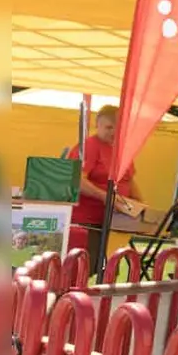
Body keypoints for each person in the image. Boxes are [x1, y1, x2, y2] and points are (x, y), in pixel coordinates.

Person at [65, 105, 142, 277]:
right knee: (82, 270)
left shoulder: (121, 151)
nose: (113, 131)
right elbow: (77, 180)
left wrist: (140, 206)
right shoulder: (89, 146)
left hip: (115, 222)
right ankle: (69, 302)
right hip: (87, 222)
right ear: (97, 125)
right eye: (108, 127)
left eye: (117, 127)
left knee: (108, 270)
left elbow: (130, 180)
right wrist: (104, 197)